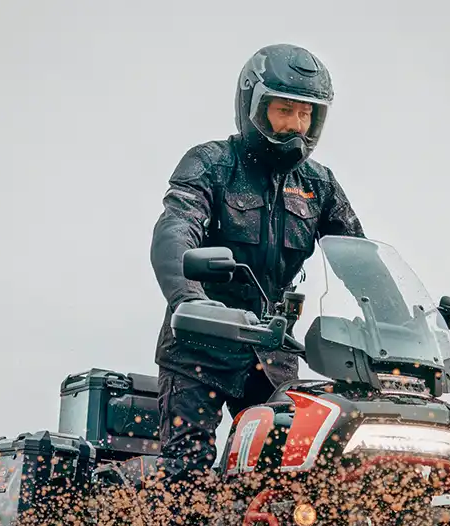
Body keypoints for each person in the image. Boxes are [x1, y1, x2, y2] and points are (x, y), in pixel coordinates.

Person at [150, 43, 366, 487]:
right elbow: (176, 229)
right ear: (252, 105)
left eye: (306, 114)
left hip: (272, 351)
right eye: (285, 111)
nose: (296, 126)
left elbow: (359, 256)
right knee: (187, 479)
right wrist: (189, 299)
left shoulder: (319, 185)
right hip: (200, 345)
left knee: (290, 472)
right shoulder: (211, 164)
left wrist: (399, 320)